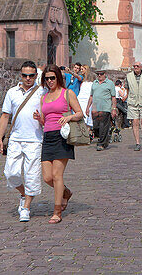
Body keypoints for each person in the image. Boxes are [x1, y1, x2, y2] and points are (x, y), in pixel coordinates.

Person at [0, 61, 45, 223]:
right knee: (10, 173)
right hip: (16, 138)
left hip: (35, 139)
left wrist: (41, 119)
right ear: (20, 75)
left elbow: (48, 116)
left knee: (32, 174)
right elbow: (5, 116)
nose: (28, 78)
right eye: (25, 75)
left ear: (36, 76)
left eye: (31, 75)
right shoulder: (12, 92)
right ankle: (23, 194)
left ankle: (26, 208)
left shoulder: (42, 92)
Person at [36, 64, 84, 224]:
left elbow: (79, 113)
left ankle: (57, 211)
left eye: (52, 78)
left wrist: (68, 117)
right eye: (47, 78)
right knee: (47, 177)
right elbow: (45, 120)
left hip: (62, 137)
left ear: (58, 78)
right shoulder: (44, 97)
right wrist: (39, 118)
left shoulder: (67, 93)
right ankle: (66, 192)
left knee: (57, 175)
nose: (50, 81)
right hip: (47, 137)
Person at [87, 69, 117, 151]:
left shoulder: (110, 83)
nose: (99, 75)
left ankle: (101, 143)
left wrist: (113, 109)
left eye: (101, 74)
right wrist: (87, 107)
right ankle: (105, 140)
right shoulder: (94, 83)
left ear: (105, 74)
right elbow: (91, 96)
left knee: (103, 126)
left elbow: (113, 97)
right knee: (96, 127)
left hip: (105, 108)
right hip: (95, 108)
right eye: (98, 74)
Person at [125, 62, 142, 151]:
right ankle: (137, 143)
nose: (135, 67)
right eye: (134, 66)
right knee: (135, 122)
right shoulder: (128, 76)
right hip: (133, 102)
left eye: (137, 66)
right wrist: (127, 97)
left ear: (141, 67)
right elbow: (127, 88)